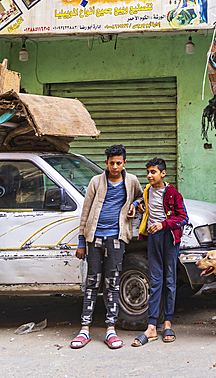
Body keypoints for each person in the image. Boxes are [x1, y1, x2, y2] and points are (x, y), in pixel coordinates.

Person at [71, 144, 142, 350]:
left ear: (124, 163)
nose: (115, 167)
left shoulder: (131, 181)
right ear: (106, 163)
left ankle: (111, 329)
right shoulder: (96, 182)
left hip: (117, 238)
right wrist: (82, 242)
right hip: (94, 239)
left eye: (119, 163)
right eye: (112, 163)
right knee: (92, 281)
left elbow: (140, 198)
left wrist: (135, 206)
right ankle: (84, 329)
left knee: (113, 283)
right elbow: (85, 212)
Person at [131, 157, 187, 347]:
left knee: (169, 280)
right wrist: (139, 208)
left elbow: (183, 217)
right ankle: (152, 326)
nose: (149, 176)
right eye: (148, 172)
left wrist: (163, 224)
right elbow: (144, 205)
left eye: (153, 172)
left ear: (163, 173)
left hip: (169, 239)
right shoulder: (147, 191)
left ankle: (168, 323)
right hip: (153, 239)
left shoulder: (172, 193)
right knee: (155, 281)